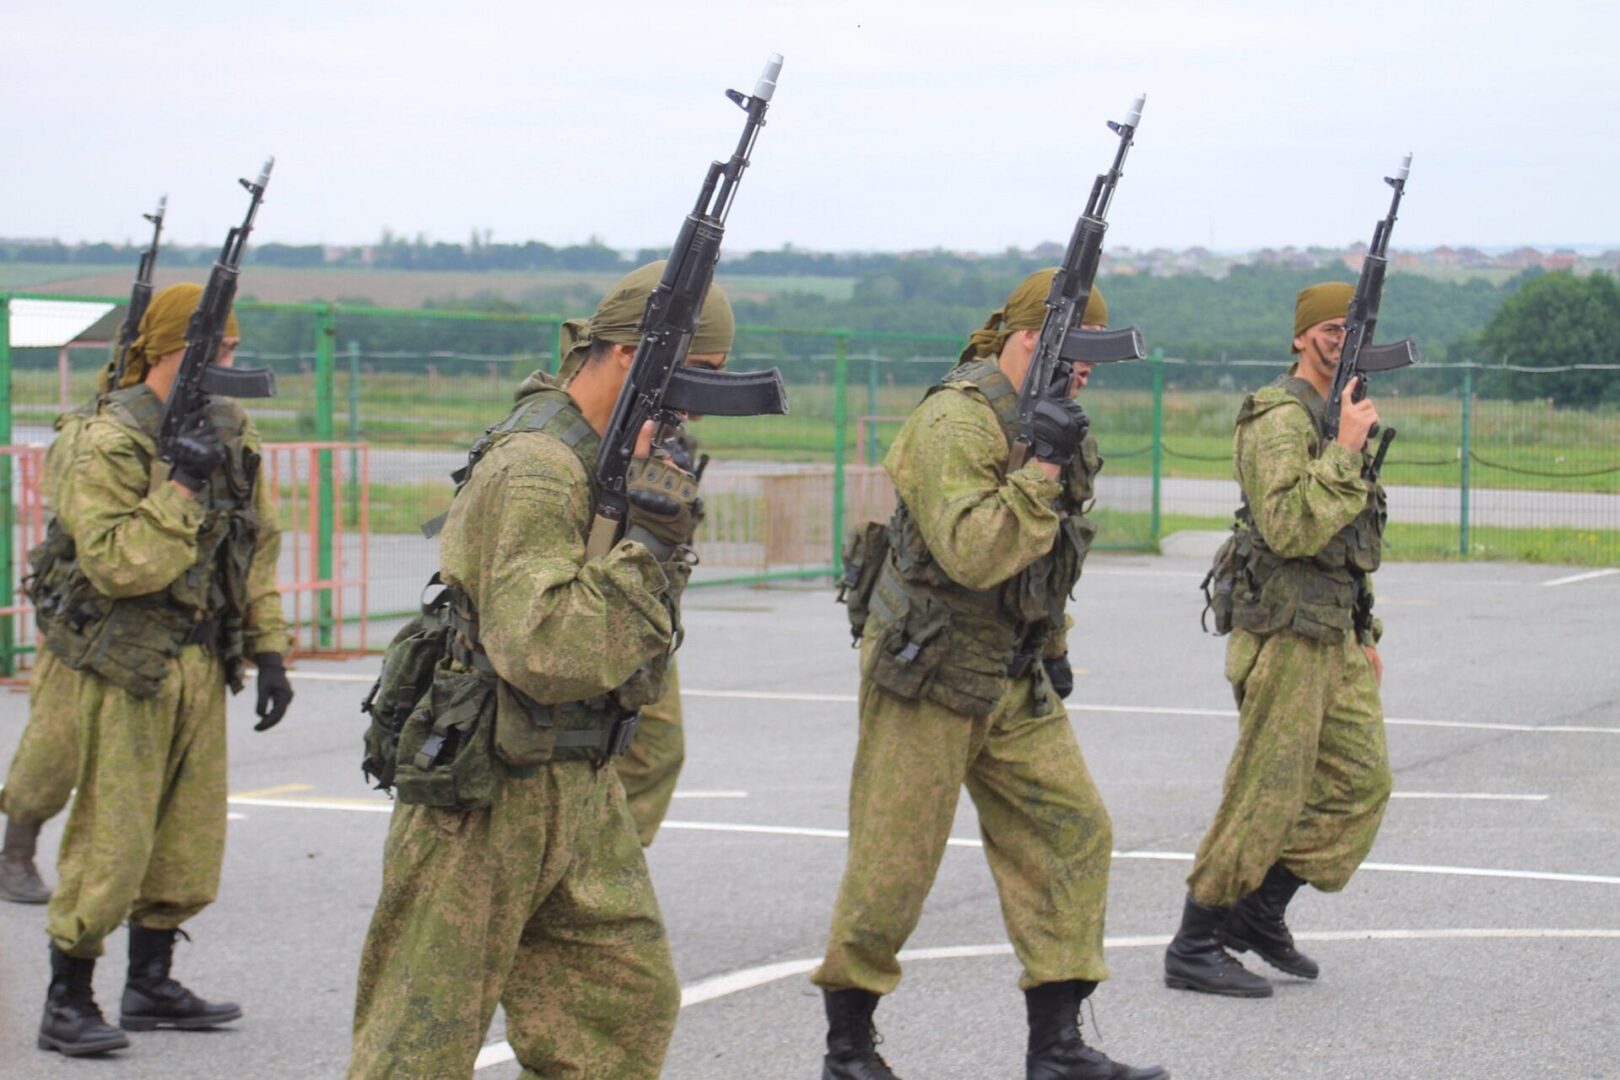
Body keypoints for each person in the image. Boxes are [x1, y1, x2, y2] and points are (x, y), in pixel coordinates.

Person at [346, 262, 732, 1079]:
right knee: (420, 1039)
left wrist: (649, 532)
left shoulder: (609, 459)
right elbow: (544, 649)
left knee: (620, 1007)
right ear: (631, 355)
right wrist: (647, 548)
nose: (699, 405)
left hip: (577, 778)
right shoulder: (538, 466)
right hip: (487, 788)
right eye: (696, 375)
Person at [814, 272, 1167, 1080]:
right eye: (1074, 353)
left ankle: (1057, 1047)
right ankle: (848, 1049)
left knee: (1072, 831)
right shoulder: (955, 420)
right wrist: (1040, 467)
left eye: (1091, 360)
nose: (1085, 372)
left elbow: (1051, 552)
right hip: (929, 674)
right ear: (1030, 339)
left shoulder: (1052, 420)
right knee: (894, 866)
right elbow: (974, 551)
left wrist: (1054, 643)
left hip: (1013, 672)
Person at [32, 282, 294, 1056]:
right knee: (111, 837)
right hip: (126, 662)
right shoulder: (107, 440)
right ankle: (67, 996)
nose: (228, 363)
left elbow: (255, 545)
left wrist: (269, 650)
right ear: (169, 350)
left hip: (201, 659)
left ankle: (150, 982)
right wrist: (179, 486)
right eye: (214, 349)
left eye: (234, 349)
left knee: (188, 835)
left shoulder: (228, 429)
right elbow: (119, 564)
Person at [1163, 281, 1391, 998]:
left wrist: (1364, 629)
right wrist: (1346, 450)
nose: (1339, 339)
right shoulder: (1279, 418)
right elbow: (1291, 527)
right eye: (1327, 327)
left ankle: (1259, 913)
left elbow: (1349, 542)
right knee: (1265, 793)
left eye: (1350, 328)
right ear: (1299, 337)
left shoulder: (1336, 413)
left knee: (1359, 785)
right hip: (1286, 635)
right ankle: (1195, 941)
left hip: (1334, 634)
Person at [0, 361, 120, 904]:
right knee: (56, 744)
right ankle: (15, 852)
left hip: (155, 620)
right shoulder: (89, 434)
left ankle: (119, 863)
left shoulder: (206, 427)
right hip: (83, 616)